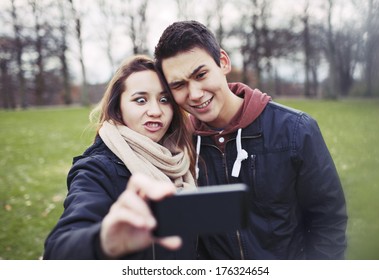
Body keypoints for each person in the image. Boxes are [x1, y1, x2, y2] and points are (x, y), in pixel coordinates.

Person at [154, 20, 348, 259]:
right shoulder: (177, 146)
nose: (194, 94)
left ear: (223, 62)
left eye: (201, 74)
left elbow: (328, 222)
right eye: (179, 85)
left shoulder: (296, 130)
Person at [43, 55, 197, 260]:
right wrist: (104, 241)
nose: (155, 111)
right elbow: (59, 251)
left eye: (164, 99)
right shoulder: (97, 169)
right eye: (140, 100)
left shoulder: (182, 159)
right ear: (118, 108)